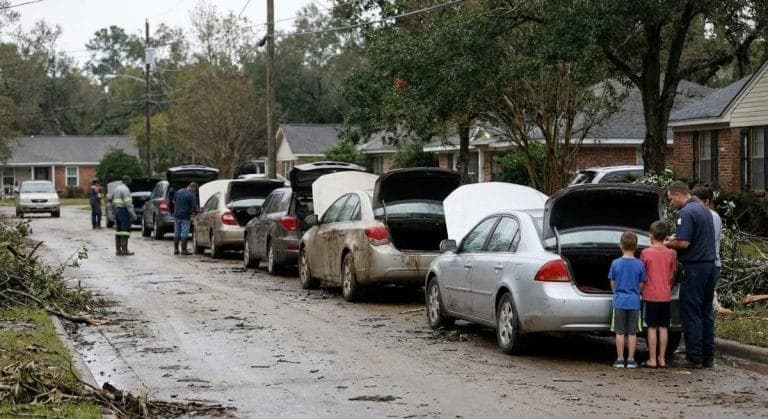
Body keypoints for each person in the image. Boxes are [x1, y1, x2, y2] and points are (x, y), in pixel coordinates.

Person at [664, 181, 717, 368]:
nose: (671, 203)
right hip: (710, 266)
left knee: (691, 311)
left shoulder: (686, 212)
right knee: (706, 311)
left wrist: (668, 243)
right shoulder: (704, 210)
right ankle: (708, 355)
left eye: (671, 199)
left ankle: (694, 356)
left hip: (694, 267)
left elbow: (685, 243)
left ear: (678, 194)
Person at [640, 221, 677, 368]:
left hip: (651, 295)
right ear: (665, 236)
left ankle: (652, 359)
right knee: (663, 327)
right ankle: (662, 358)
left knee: (651, 327)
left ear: (651, 235)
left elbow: (642, 274)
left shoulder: (645, 253)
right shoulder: (671, 253)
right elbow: (671, 275)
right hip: (665, 295)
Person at [608, 231, 646, 368]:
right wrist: (637, 292)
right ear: (636, 247)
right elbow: (642, 283)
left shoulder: (615, 263)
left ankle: (619, 359)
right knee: (632, 332)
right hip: (634, 301)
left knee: (619, 332)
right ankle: (630, 359)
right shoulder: (640, 264)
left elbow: (612, 281)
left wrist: (616, 292)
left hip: (619, 301)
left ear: (621, 246)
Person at [690, 185, 731, 315]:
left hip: (710, 263)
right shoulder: (706, 215)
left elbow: (707, 239)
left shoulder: (711, 217)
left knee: (702, 304)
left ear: (706, 201)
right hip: (709, 262)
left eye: (696, 202)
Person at [109, 175, 136, 256]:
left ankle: (118, 250)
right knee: (125, 230)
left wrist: (114, 213)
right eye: (130, 180)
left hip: (117, 210)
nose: (131, 182)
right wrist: (133, 214)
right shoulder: (125, 189)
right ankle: (125, 250)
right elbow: (128, 204)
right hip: (123, 211)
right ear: (127, 181)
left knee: (119, 230)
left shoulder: (117, 188)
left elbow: (112, 201)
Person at [173, 182, 199, 255]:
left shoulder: (179, 191)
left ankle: (176, 250)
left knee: (177, 232)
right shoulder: (191, 195)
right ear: (193, 188)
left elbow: (174, 202)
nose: (195, 192)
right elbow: (194, 208)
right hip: (185, 216)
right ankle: (184, 250)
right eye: (195, 190)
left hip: (176, 215)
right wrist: (198, 210)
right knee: (184, 233)